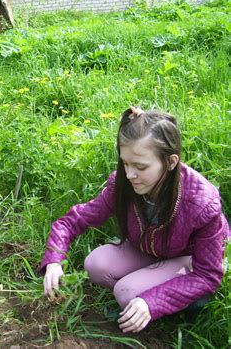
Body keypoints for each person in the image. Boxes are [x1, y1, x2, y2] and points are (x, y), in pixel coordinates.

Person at [40, 107, 229, 333]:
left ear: (170, 162)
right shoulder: (124, 183)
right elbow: (73, 221)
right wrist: (54, 259)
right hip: (153, 249)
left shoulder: (202, 203)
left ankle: (179, 304)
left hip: (188, 259)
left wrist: (152, 301)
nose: (130, 174)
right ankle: (146, 289)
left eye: (140, 166)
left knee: (127, 292)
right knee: (95, 265)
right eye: (125, 163)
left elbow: (208, 274)